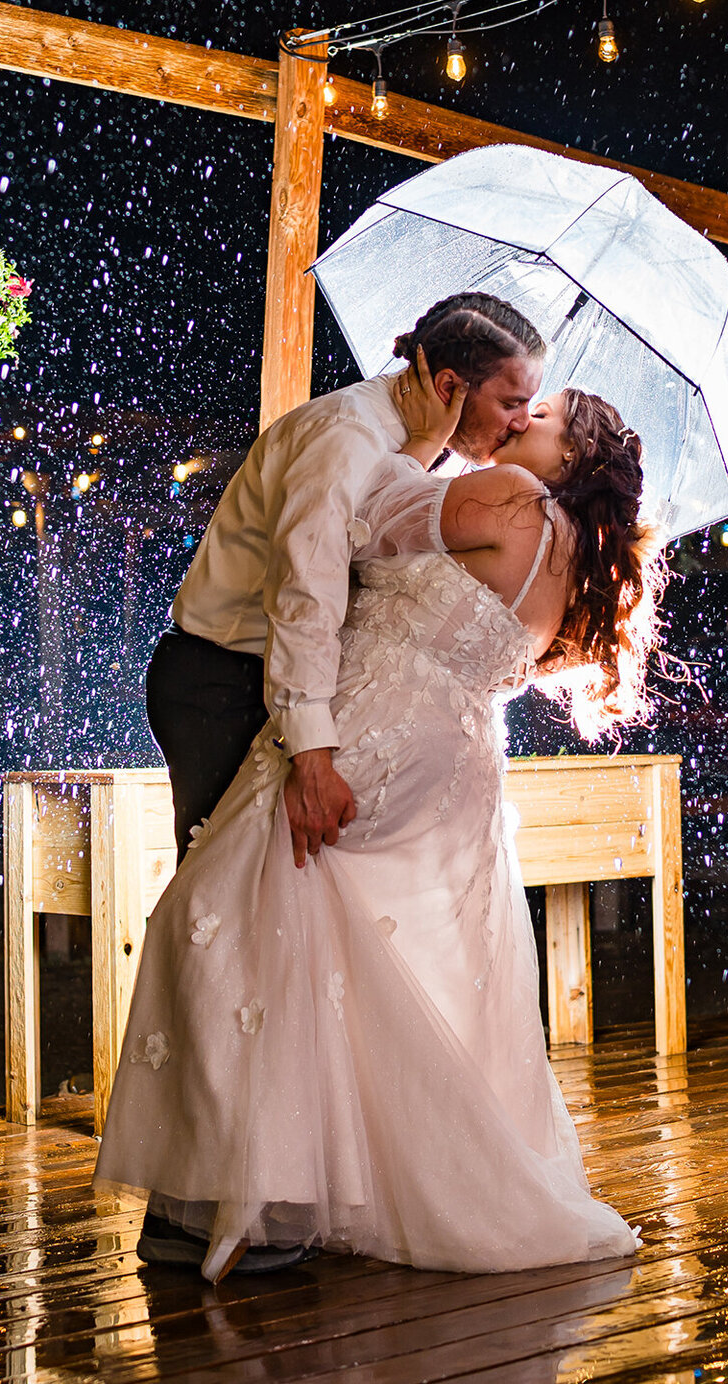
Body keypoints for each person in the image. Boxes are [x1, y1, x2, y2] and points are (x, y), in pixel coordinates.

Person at [97, 378, 663, 1280]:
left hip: (372, 730)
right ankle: (288, 1189)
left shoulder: (510, 498)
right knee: (344, 953)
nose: (519, 420)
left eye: (541, 418)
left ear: (571, 461)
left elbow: (356, 527)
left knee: (235, 920)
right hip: (455, 754)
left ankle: (265, 1205)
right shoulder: (569, 555)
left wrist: (423, 429)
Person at [146, 292, 546, 864]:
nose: (522, 422)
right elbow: (305, 592)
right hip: (224, 684)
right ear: (451, 387)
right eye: (513, 401)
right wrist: (311, 757)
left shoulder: (420, 444)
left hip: (277, 684)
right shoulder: (345, 437)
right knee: (229, 890)